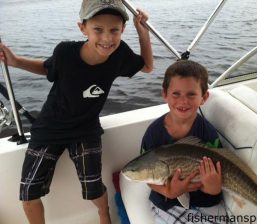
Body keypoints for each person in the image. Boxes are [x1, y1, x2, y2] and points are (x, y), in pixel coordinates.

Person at [0, 0, 153, 223]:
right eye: (98, 29)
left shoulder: (120, 53)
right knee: (29, 192)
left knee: (93, 187)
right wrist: (14, 61)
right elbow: (47, 68)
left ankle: (104, 213)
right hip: (49, 127)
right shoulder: (65, 52)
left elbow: (148, 67)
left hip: (86, 129)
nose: (107, 38)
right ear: (83, 28)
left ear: (123, 30)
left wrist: (143, 33)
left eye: (114, 30)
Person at [141, 60, 234, 224]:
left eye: (191, 94)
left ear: (204, 97)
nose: (183, 101)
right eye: (176, 93)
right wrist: (169, 191)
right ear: (165, 94)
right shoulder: (153, 133)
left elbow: (216, 177)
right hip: (167, 203)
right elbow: (148, 177)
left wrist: (212, 188)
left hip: (205, 201)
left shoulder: (208, 133)